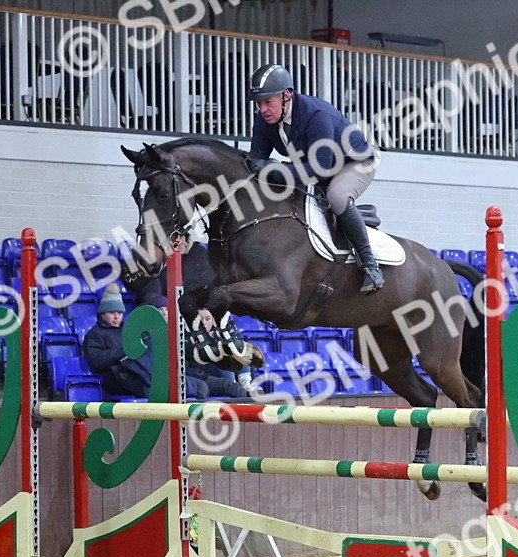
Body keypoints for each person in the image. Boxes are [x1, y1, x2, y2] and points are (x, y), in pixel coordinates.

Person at [246, 63, 384, 295]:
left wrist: (277, 170)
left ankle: (370, 266)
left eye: (268, 102)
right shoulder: (264, 120)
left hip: (355, 162)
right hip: (322, 166)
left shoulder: (315, 115)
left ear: (287, 95)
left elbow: (317, 170)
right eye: (259, 104)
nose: (263, 109)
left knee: (337, 197)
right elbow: (256, 162)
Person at [153, 298, 253, 401]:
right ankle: (249, 398)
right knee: (229, 385)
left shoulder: (214, 331)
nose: (164, 313)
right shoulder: (183, 333)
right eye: (161, 309)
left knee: (238, 350)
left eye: (167, 309)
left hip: (200, 373)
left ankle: (247, 386)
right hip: (195, 375)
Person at [81, 285, 153, 397]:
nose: (116, 317)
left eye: (119, 313)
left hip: (136, 370)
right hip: (114, 376)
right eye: (111, 313)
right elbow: (97, 360)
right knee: (148, 387)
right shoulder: (95, 334)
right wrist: (126, 352)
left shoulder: (129, 329)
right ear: (103, 314)